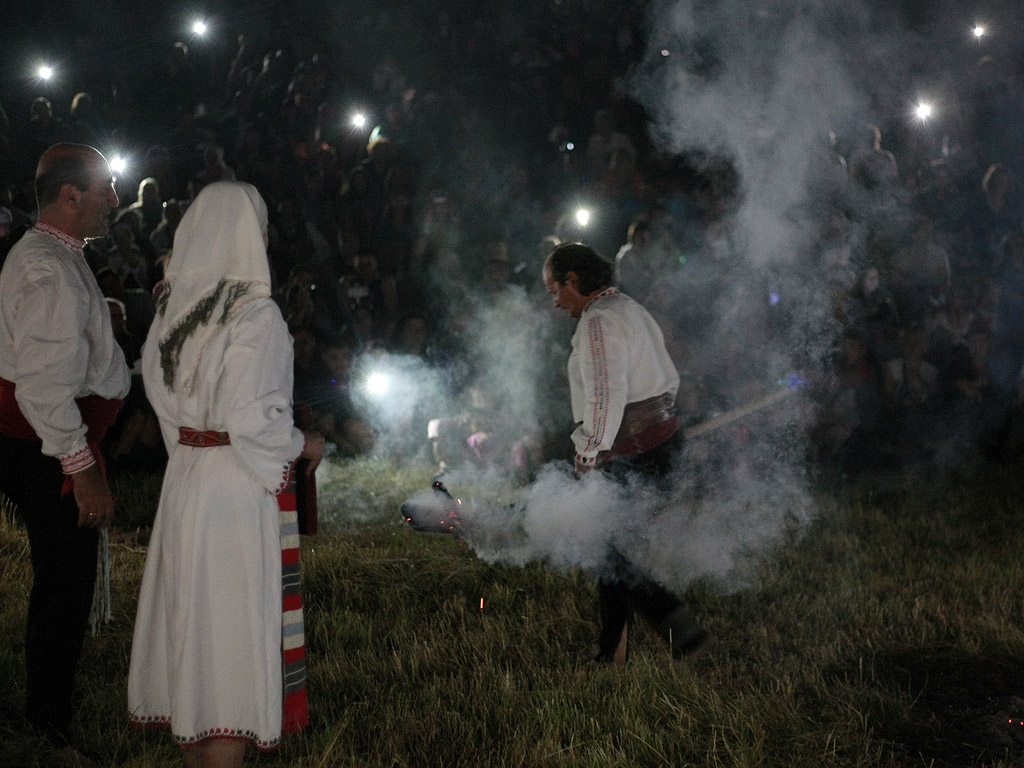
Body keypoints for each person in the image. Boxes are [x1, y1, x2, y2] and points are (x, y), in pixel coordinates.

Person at [127, 181, 325, 768]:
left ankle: (200, 743)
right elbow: (252, 419)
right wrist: (300, 444)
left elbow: (162, 404)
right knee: (231, 629)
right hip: (235, 488)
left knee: (197, 622)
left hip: (187, 479)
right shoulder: (255, 314)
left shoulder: (171, 310)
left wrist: (193, 451)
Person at [0, 143, 129, 764]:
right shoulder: (47, 269)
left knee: (63, 586)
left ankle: (44, 718)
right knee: (62, 590)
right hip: (46, 448)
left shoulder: (57, 255)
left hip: (49, 442)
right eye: (105, 188)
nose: (114, 199)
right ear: (69, 195)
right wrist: (80, 470)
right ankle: (47, 732)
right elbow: (44, 386)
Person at [541, 242, 713, 664]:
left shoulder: (599, 322)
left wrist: (590, 453)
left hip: (636, 453)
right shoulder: (630, 308)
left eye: (554, 289)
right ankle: (613, 654)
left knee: (612, 553)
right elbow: (668, 380)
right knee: (611, 551)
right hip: (662, 443)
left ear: (573, 281)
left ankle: (684, 634)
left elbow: (605, 395)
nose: (554, 301)